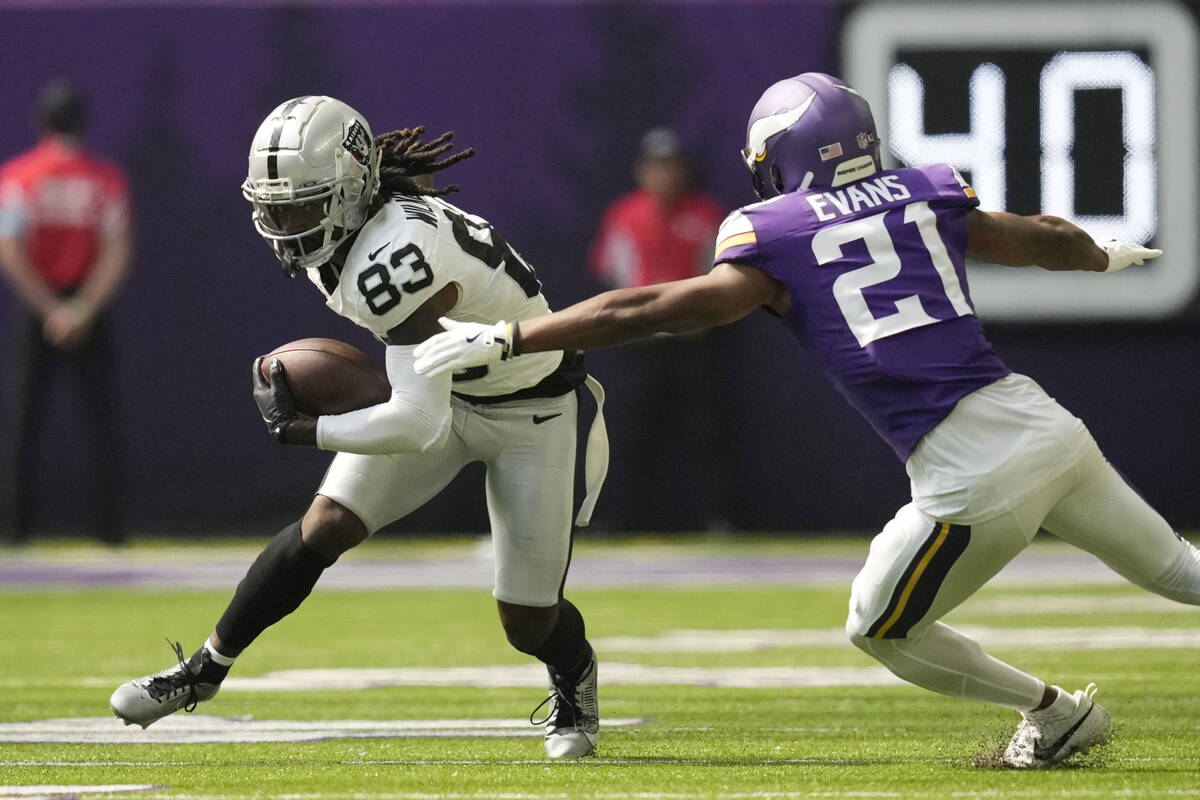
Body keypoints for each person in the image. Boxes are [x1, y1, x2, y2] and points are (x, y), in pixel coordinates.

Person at [412, 72, 1200, 768]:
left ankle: (1057, 715)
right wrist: (1101, 252)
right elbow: (1039, 240)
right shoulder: (926, 190)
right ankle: (1060, 717)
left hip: (972, 472)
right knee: (1177, 572)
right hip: (1045, 423)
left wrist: (517, 333)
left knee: (880, 630)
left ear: (779, 155)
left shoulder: (776, 234)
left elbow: (651, 305)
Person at [109, 96, 607, 759]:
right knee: (326, 524)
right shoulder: (355, 228)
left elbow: (416, 420)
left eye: (303, 205)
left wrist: (304, 430)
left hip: (529, 406)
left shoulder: (394, 254)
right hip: (447, 382)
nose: (285, 223)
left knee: (527, 619)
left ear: (348, 194)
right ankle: (203, 671)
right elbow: (424, 404)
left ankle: (575, 675)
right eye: (275, 206)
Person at [0, 79, 132, 546]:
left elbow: (11, 250)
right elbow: (116, 250)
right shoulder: (103, 179)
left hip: (40, 307)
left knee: (22, 426)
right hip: (84, 308)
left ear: (42, 122)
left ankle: (15, 534)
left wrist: (50, 309)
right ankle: (111, 534)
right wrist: (81, 309)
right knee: (102, 424)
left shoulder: (19, 176)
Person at [587, 128, 730, 531]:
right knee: (631, 437)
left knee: (708, 434)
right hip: (642, 345)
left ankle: (719, 519)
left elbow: (719, 276)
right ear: (642, 171)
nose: (664, 176)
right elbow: (610, 273)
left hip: (693, 343)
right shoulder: (625, 215)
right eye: (656, 167)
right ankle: (623, 520)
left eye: (671, 167)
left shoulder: (705, 215)